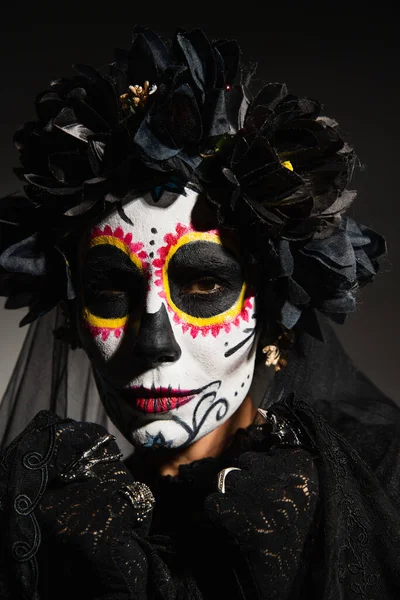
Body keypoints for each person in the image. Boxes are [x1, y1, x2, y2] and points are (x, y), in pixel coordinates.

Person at [1, 26, 400, 600]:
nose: (154, 341)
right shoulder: (50, 522)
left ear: (271, 306)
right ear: (72, 316)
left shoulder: (368, 487)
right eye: (111, 290)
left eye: (205, 281)